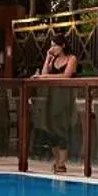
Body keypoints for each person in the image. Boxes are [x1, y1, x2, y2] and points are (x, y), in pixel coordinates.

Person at [34, 36, 78, 173]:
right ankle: (56, 160)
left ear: (63, 45)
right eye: (51, 46)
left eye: (55, 46)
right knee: (51, 128)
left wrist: (45, 77)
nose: (53, 48)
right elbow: (43, 73)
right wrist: (47, 58)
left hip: (65, 96)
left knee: (62, 127)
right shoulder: (53, 59)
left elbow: (66, 75)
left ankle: (62, 162)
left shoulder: (71, 58)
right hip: (52, 96)